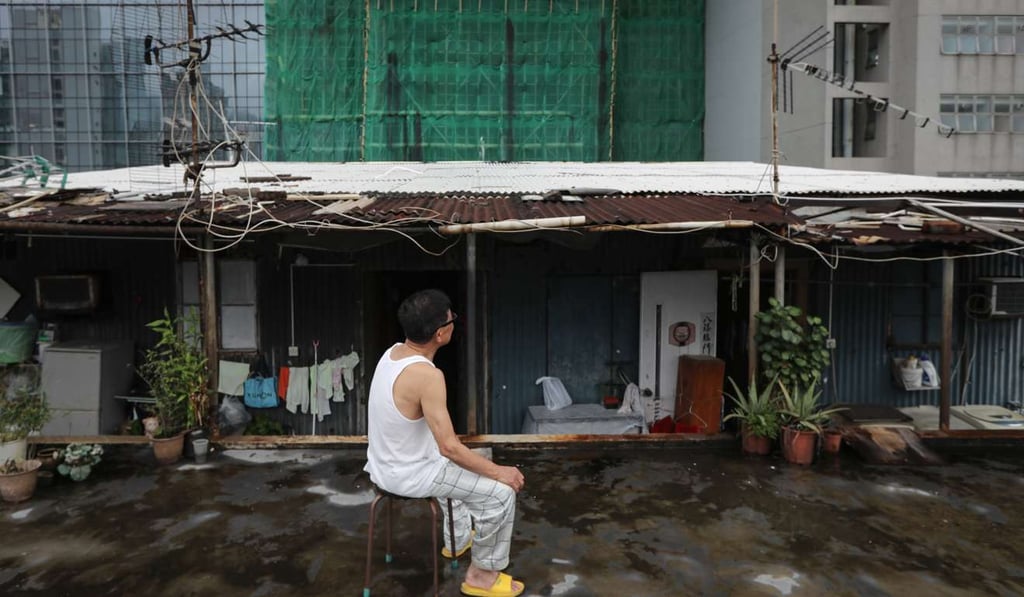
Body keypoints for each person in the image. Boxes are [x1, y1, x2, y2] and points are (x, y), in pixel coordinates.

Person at [364, 289, 526, 597]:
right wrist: (500, 472)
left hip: (383, 464)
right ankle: (481, 575)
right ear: (441, 333)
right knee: (501, 493)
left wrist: (485, 466)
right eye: (452, 319)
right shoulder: (428, 376)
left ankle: (457, 541)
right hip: (412, 474)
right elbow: (448, 447)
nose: (454, 322)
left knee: (475, 462)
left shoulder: (392, 353)